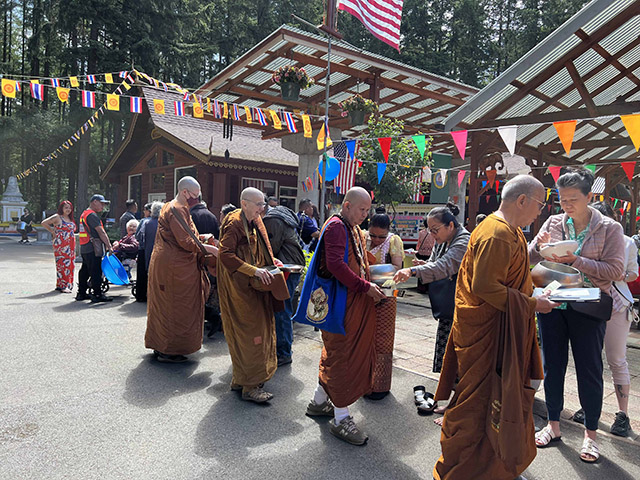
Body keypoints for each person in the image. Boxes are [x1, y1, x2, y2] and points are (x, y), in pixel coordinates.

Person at [432, 175, 558, 480]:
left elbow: (510, 269)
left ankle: (496, 467)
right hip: (487, 334)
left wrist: (537, 254)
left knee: (498, 401)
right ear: (523, 200)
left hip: (499, 330)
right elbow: (486, 286)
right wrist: (531, 304)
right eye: (539, 205)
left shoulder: (508, 230)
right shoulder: (497, 234)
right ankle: (464, 471)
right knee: (479, 407)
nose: (539, 213)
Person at [530, 168, 625, 463]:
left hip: (588, 305)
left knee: (589, 369)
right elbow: (531, 257)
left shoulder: (610, 228)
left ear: (589, 197)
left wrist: (577, 261)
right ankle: (553, 424)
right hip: (553, 303)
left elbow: (616, 271)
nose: (566, 206)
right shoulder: (554, 221)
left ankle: (590, 434)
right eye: (561, 199)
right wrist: (539, 245)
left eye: (572, 199)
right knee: (553, 366)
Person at [305, 186, 386, 446]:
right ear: (347, 205)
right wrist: (365, 287)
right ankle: (340, 418)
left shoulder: (349, 227)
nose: (365, 215)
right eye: (361, 209)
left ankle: (319, 402)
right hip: (343, 304)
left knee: (336, 352)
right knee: (344, 356)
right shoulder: (337, 226)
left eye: (367, 210)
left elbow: (357, 261)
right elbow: (335, 265)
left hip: (350, 302)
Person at [217, 187, 283, 403]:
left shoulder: (254, 219)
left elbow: (261, 249)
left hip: (255, 285)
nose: (263, 209)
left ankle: (241, 379)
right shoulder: (235, 223)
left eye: (264, 204)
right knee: (250, 334)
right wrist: (254, 270)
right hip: (240, 289)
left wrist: (272, 262)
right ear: (244, 203)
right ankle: (250, 387)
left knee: (259, 331)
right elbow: (225, 255)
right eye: (259, 205)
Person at [144, 177, 218, 363]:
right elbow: (185, 241)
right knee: (175, 307)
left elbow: (187, 234)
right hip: (175, 267)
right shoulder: (176, 208)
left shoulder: (173, 205)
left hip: (169, 263)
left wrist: (202, 236)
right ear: (185, 192)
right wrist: (211, 249)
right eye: (195, 195)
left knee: (164, 306)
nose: (197, 199)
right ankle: (169, 350)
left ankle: (160, 345)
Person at [394, 203, 470, 379]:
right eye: (430, 230)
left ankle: (457, 391)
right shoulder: (443, 240)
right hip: (448, 304)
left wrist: (413, 271)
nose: (432, 235)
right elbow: (435, 262)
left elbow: (445, 265)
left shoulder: (463, 240)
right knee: (446, 351)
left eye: (435, 230)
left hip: (462, 305)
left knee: (458, 352)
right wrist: (424, 265)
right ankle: (448, 386)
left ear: (450, 225)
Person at [588, 201, 637, 437]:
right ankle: (589, 406)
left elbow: (633, 272)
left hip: (618, 305)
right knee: (590, 357)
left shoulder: (626, 242)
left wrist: (618, 274)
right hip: (592, 302)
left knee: (616, 359)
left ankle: (622, 414)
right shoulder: (587, 239)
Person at [364, 213, 404, 399]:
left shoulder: (394, 241)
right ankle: (363, 382)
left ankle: (379, 386)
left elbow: (397, 267)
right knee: (364, 337)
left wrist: (369, 271)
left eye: (381, 236)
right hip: (364, 294)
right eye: (373, 235)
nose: (376, 239)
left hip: (387, 294)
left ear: (388, 232)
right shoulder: (362, 237)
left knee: (382, 339)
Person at [263, 204, 306, 366]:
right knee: (283, 309)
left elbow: (270, 249)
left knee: (281, 310)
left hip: (286, 269)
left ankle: (284, 352)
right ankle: (284, 347)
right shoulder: (281, 217)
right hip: (292, 267)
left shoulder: (272, 220)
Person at [190, 196, 222, 338]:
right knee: (206, 290)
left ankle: (209, 318)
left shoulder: (191, 216)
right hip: (210, 258)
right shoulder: (211, 215)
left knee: (195, 293)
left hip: (196, 257)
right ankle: (213, 317)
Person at [76, 195, 114, 303]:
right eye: (101, 203)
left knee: (85, 270)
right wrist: (109, 246)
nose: (103, 206)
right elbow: (101, 232)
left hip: (85, 246)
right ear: (94, 202)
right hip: (93, 247)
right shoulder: (92, 215)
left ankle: (81, 293)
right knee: (95, 271)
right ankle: (97, 294)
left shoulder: (84, 214)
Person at [41, 201, 76, 293]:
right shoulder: (57, 217)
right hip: (61, 244)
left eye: (69, 208)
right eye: (66, 208)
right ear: (62, 208)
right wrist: (52, 231)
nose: (68, 210)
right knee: (63, 264)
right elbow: (44, 223)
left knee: (71, 264)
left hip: (71, 244)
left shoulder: (70, 218)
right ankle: (62, 285)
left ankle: (67, 284)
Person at [134, 203, 152, 302]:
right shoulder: (159, 221)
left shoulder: (143, 221)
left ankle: (140, 294)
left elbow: (137, 236)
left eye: (145, 210)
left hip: (142, 249)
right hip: (153, 249)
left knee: (141, 273)